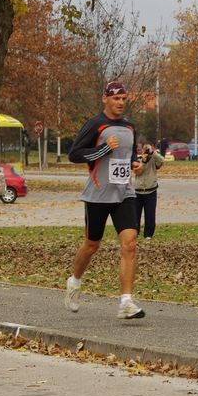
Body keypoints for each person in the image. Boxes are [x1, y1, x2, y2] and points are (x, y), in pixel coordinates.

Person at [65, 81, 145, 319]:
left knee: (130, 244)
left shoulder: (130, 126)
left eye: (123, 99)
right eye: (116, 98)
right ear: (105, 99)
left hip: (124, 193)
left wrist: (135, 163)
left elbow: (129, 154)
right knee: (92, 245)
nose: (120, 103)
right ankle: (74, 281)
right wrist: (103, 149)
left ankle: (126, 302)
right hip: (98, 194)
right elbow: (74, 154)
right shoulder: (95, 124)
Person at [134, 142, 163, 239]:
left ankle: (148, 234)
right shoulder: (137, 159)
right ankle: (135, 232)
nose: (146, 151)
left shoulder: (154, 159)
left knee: (150, 214)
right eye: (144, 149)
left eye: (147, 149)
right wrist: (143, 161)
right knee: (136, 214)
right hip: (138, 191)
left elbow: (161, 161)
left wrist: (152, 152)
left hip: (151, 190)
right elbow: (137, 171)